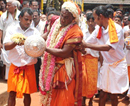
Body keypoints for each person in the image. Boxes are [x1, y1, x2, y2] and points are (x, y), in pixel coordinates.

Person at [79, 5, 129, 106]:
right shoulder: (99, 29)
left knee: (114, 95)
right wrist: (80, 45)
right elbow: (87, 42)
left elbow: (108, 47)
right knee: (103, 94)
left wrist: (86, 45)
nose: (94, 21)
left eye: (95, 18)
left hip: (117, 65)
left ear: (100, 16)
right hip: (107, 65)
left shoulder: (117, 29)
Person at [39, 1, 83, 106]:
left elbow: (63, 53)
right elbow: (47, 34)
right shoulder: (56, 22)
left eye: (66, 17)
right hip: (50, 65)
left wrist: (44, 48)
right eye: (62, 16)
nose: (62, 19)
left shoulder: (75, 32)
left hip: (64, 69)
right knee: (50, 97)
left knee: (63, 99)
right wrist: (36, 41)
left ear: (73, 19)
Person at [3, 8, 40, 106]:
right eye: (26, 19)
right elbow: (6, 46)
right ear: (20, 18)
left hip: (28, 66)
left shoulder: (35, 32)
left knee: (27, 94)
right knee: (11, 93)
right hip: (15, 65)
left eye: (30, 20)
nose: (28, 22)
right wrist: (16, 42)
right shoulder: (12, 29)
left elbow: (39, 48)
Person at [0, 0, 20, 80]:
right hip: (6, 42)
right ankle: (9, 80)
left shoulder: (20, 15)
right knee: (7, 62)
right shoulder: (3, 16)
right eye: (7, 5)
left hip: (17, 43)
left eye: (9, 5)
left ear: (15, 6)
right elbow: (0, 29)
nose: (7, 7)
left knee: (16, 61)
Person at [82, 13, 99, 106]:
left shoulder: (98, 32)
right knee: (84, 80)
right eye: (89, 21)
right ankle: (83, 100)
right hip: (83, 58)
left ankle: (91, 100)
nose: (91, 23)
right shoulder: (83, 32)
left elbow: (101, 45)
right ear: (87, 21)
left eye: (92, 21)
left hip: (93, 59)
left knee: (92, 80)